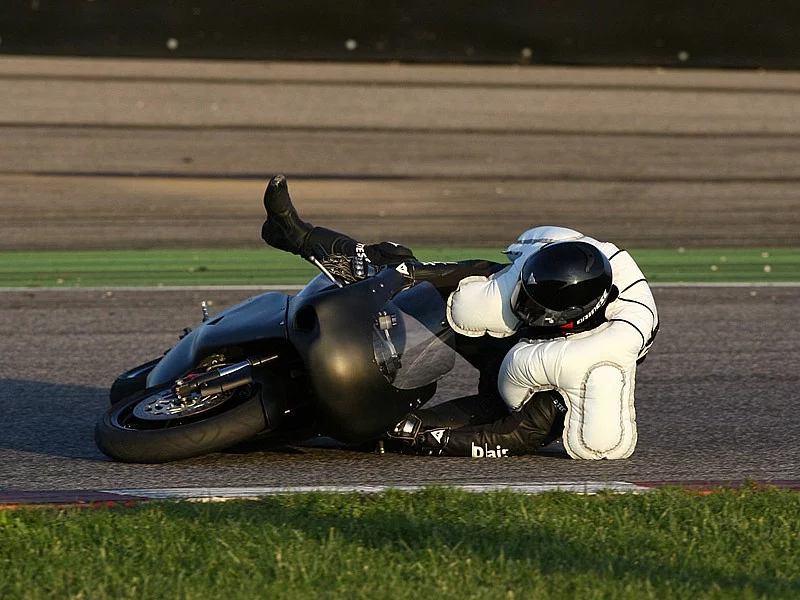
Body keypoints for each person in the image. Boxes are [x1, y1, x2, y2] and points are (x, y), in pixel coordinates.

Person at [261, 174, 659, 459]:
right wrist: (409, 274)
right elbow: (474, 274)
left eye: (538, 308)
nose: (525, 307)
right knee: (419, 268)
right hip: (513, 346)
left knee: (397, 436)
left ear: (573, 317)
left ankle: (328, 420)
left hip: (515, 396)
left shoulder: (595, 365)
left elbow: (519, 435)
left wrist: (424, 439)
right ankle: (298, 236)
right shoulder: (560, 263)